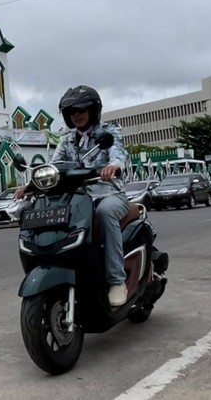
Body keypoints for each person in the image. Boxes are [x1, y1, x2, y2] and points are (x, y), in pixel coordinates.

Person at [17, 85, 130, 307]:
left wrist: (113, 166)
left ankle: (117, 280)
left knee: (105, 213)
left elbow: (118, 152)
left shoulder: (108, 131)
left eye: (81, 110)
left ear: (93, 110)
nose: (77, 115)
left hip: (108, 193)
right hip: (77, 197)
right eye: (72, 112)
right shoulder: (67, 139)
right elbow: (54, 166)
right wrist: (30, 186)